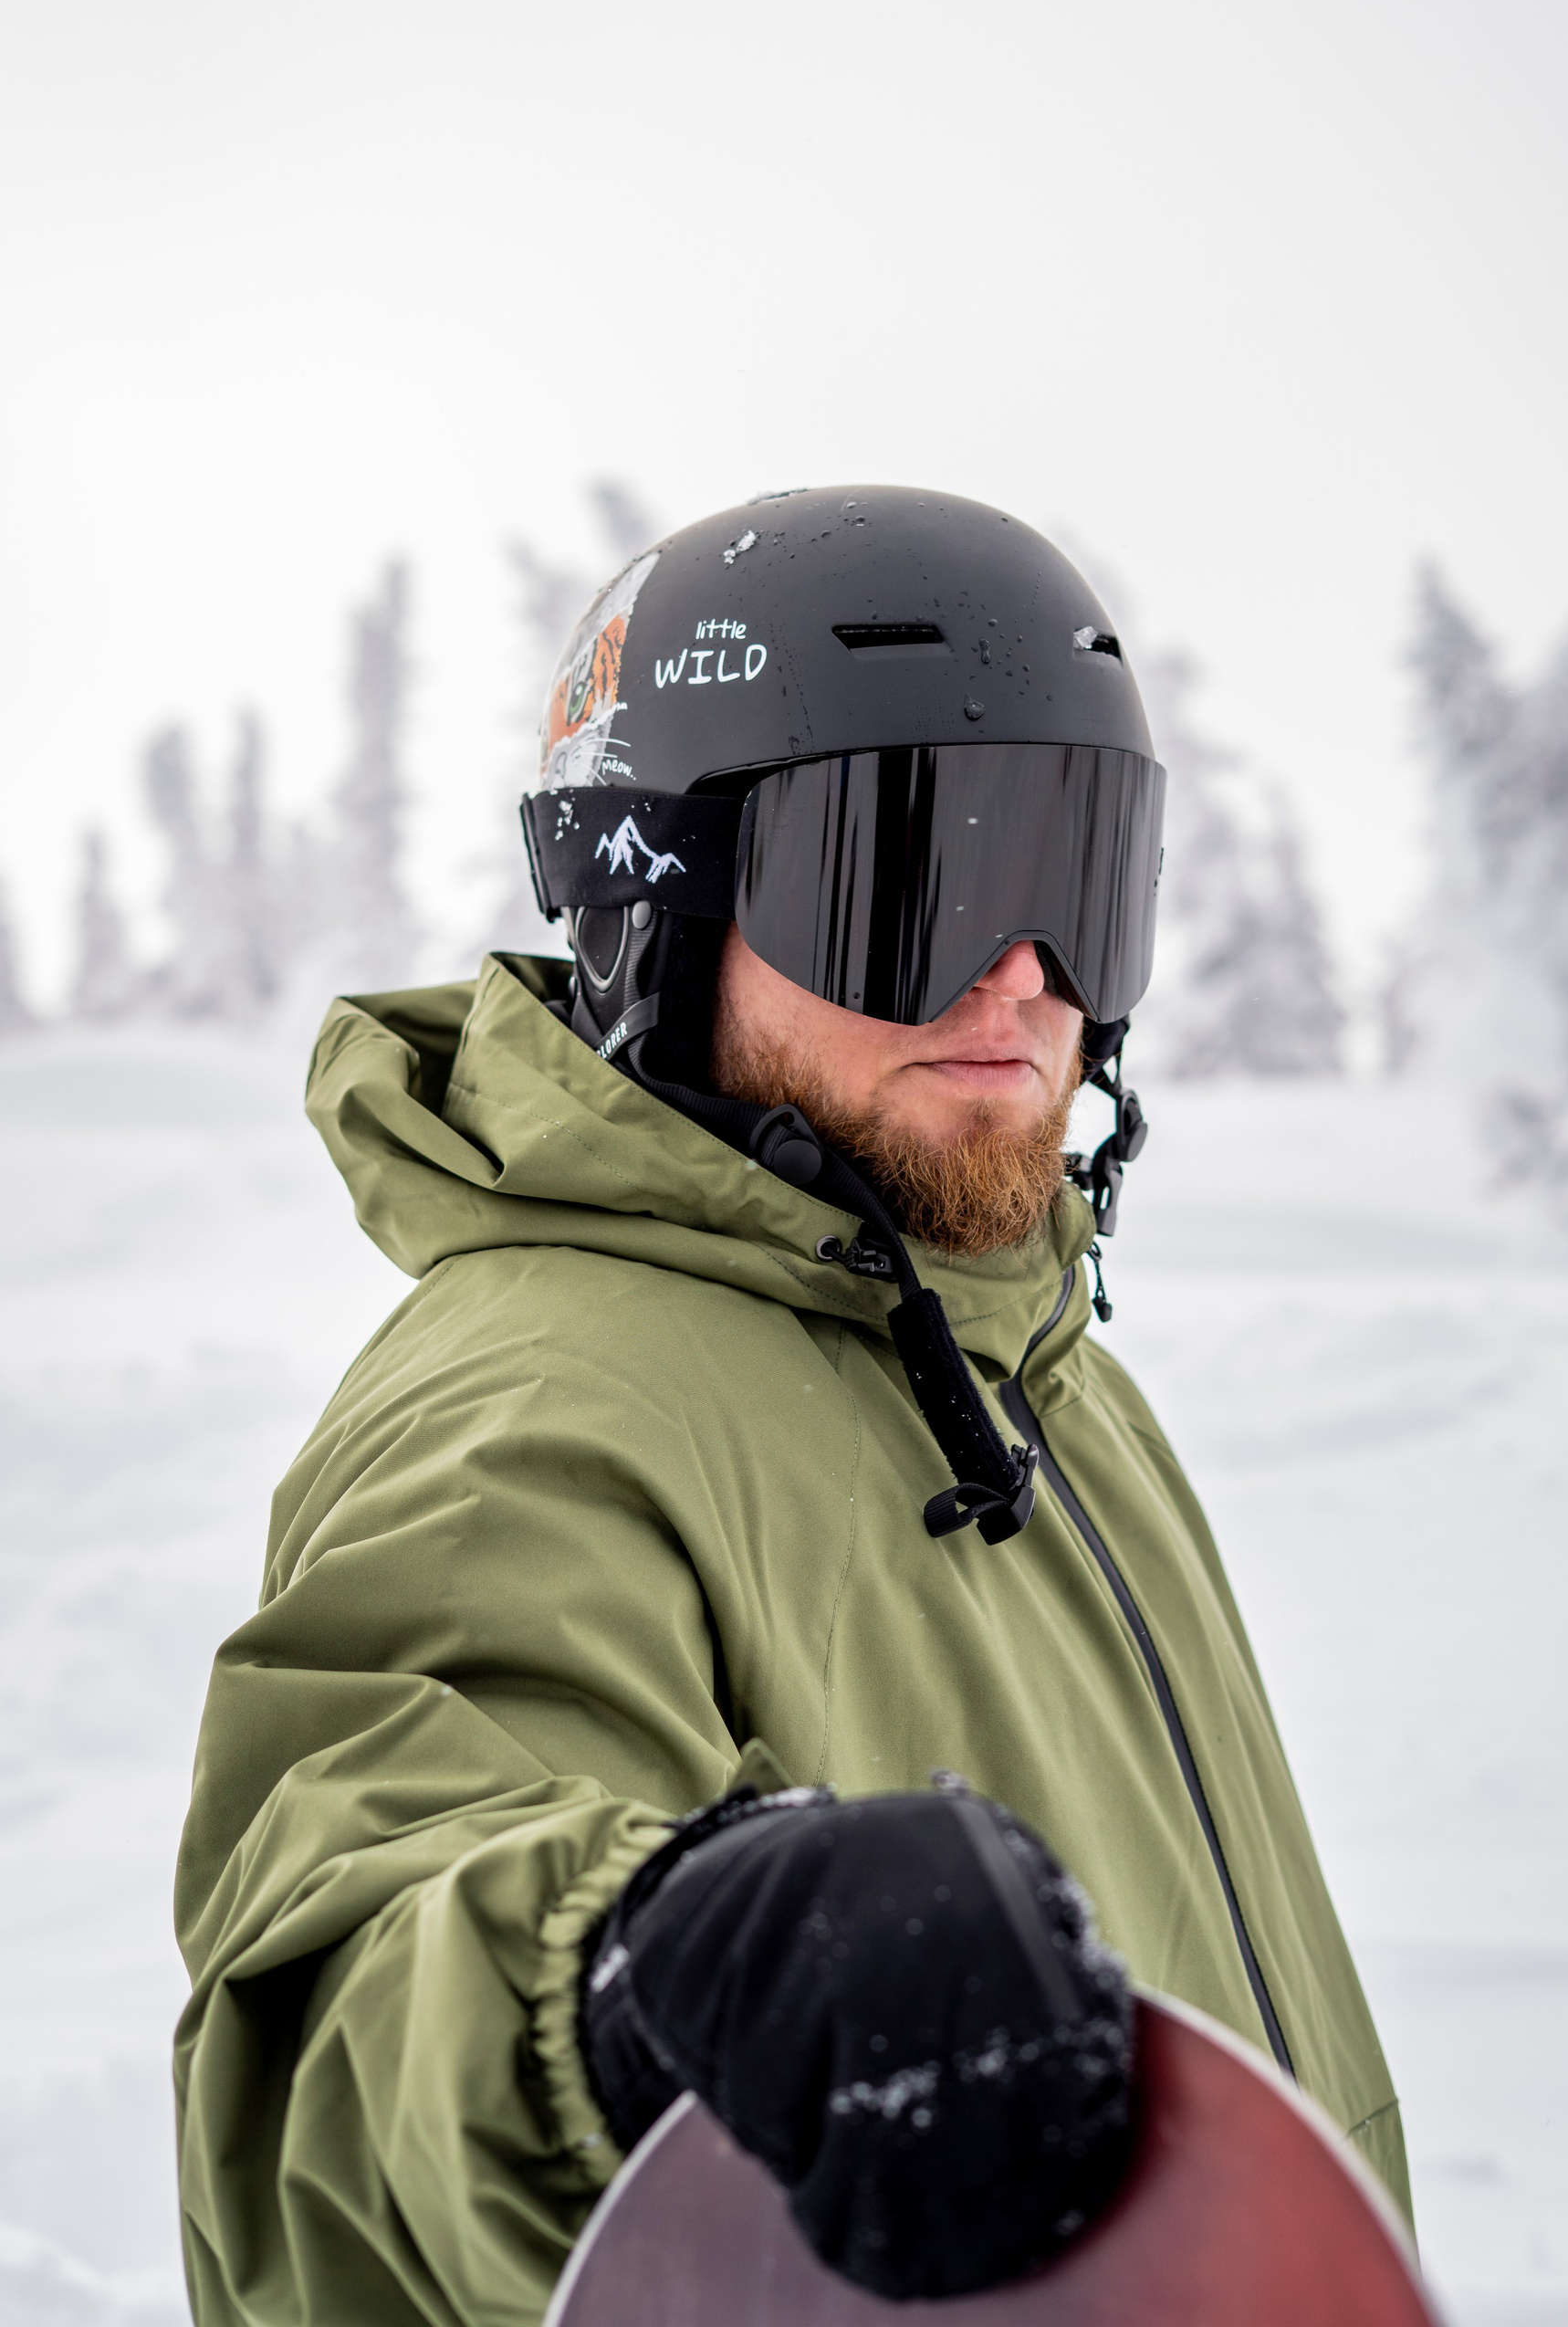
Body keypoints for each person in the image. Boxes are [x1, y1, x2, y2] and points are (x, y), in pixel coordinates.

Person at [174, 487, 1406, 2324]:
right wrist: (629, 1990)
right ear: (660, 915)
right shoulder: (535, 1400)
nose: (1020, 977)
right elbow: (343, 2006)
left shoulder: (1035, 1364)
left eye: (1073, 879)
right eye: (908, 881)